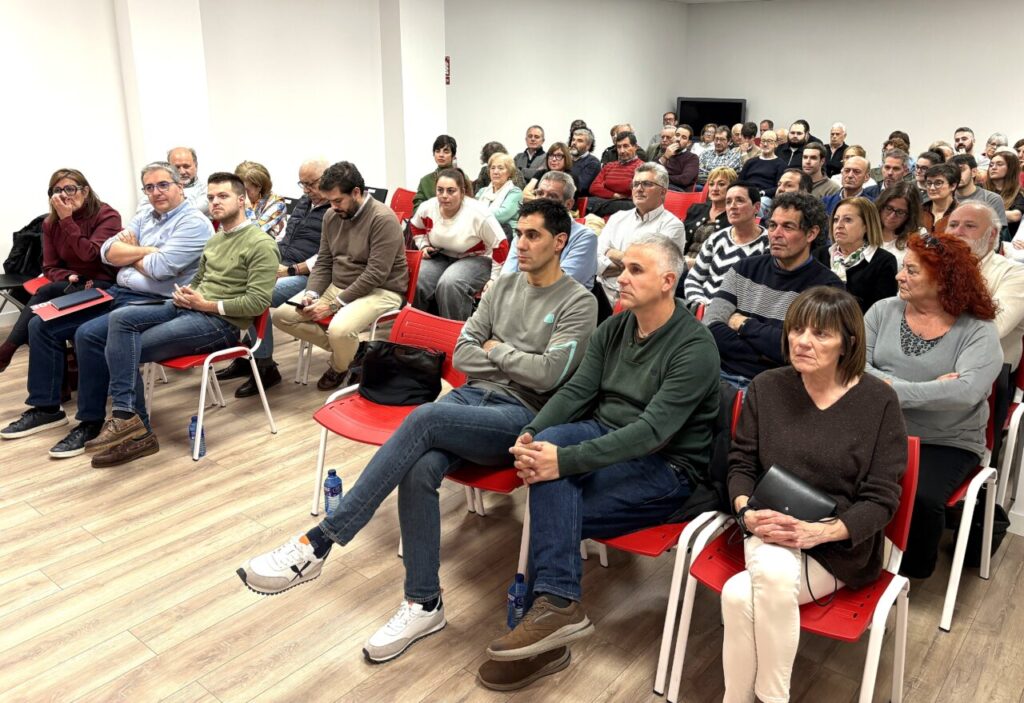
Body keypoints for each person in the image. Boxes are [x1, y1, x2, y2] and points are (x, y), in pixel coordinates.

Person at [237, 198, 598, 671]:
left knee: (424, 418)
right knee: (420, 467)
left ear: (560, 242)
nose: (522, 244)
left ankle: (320, 541)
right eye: (520, 233)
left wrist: (496, 350)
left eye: (533, 236)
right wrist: (507, 355)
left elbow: (550, 375)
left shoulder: (579, 301)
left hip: (521, 417)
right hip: (470, 402)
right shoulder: (503, 285)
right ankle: (424, 603)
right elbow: (466, 353)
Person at [480, 234, 720, 687]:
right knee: (546, 452)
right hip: (607, 437)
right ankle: (556, 609)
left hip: (667, 467)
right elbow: (576, 392)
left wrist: (564, 461)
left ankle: (550, 624)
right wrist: (532, 433)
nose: (620, 277)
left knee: (555, 501)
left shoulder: (695, 346)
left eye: (635, 270)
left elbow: (652, 433)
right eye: (622, 267)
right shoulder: (616, 326)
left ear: (668, 281)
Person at [724, 286, 907, 703]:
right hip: (767, 524)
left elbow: (882, 499)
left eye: (821, 334)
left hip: (838, 543)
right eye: (797, 330)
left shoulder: (879, 401)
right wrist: (746, 513)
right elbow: (740, 464)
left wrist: (819, 533)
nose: (803, 341)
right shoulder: (768, 386)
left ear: (849, 343)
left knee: (742, 594)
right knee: (758, 581)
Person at [0, 162, 212, 454]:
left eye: (163, 185)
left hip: (153, 301)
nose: (156, 192)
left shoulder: (192, 222)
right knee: (42, 324)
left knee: (89, 334)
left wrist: (131, 254)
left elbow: (160, 269)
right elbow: (106, 252)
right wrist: (146, 251)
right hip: (118, 291)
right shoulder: (145, 217)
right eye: (149, 187)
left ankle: (90, 422)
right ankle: (46, 408)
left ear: (180, 186)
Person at [74, 172, 279, 466]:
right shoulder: (217, 238)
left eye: (223, 196)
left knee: (126, 348)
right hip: (190, 307)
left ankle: (133, 429)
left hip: (222, 325)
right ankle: (129, 421)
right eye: (210, 197)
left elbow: (258, 302)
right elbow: (200, 278)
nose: (215, 202)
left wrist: (206, 304)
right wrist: (188, 293)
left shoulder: (261, 243)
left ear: (241, 199)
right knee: (120, 320)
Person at [865, 233, 1001, 579]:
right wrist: (925, 390)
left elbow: (966, 392)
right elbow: (856, 368)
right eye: (902, 268)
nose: (899, 276)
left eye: (911, 271)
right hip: (880, 426)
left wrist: (889, 387)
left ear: (943, 280)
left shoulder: (978, 329)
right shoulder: (883, 311)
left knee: (921, 497)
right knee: (833, 467)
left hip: (946, 440)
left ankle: (906, 576)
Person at [273, 162, 409, 390]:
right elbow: (324, 261)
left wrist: (334, 306)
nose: (333, 207)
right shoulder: (331, 216)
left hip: (382, 290)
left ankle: (339, 366)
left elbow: (375, 273)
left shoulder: (382, 218)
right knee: (282, 316)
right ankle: (357, 354)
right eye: (330, 201)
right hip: (341, 286)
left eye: (338, 201)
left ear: (356, 192)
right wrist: (311, 294)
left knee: (339, 330)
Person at [705, 192, 843, 389]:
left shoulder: (828, 288)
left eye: (787, 227)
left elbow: (794, 350)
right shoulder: (743, 269)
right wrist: (765, 353)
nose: (776, 234)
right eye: (772, 225)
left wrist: (743, 323)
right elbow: (710, 327)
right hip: (718, 373)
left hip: (775, 386)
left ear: (811, 233)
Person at [218, 159, 331, 397]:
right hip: (281, 263)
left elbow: (329, 257)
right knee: (231, 285)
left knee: (256, 297)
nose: (307, 189)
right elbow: (284, 238)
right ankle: (247, 353)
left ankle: (265, 365)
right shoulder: (303, 203)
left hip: (307, 274)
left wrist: (290, 270)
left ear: (328, 178)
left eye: (313, 183)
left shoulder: (335, 209)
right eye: (303, 183)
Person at [0, 169, 120, 372]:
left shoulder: (107, 216)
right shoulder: (50, 224)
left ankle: (6, 351)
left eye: (70, 189)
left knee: (44, 309)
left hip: (102, 283)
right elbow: (49, 267)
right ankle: (46, 391)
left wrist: (67, 221)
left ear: (86, 191)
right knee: (40, 312)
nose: (64, 195)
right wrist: (68, 275)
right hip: (73, 282)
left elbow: (90, 254)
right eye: (57, 190)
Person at [410, 168, 508, 321]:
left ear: (462, 192)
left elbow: (501, 244)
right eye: (440, 190)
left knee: (450, 283)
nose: (444, 196)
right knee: (417, 277)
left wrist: (495, 278)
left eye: (451, 191)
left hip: (477, 258)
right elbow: (415, 225)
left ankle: (455, 336)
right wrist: (423, 246)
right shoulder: (428, 207)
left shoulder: (478, 213)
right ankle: (418, 329)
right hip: (441, 255)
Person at [948, 202, 1024, 371]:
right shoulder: (933, 268)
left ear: (992, 234)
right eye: (953, 225)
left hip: (988, 377)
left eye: (969, 225)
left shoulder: (1016, 274)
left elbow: (993, 328)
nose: (957, 232)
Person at [596, 163, 685, 305]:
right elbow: (595, 256)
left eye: (646, 184)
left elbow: (651, 268)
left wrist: (611, 253)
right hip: (602, 292)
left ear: (663, 192)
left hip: (641, 301)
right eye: (635, 184)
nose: (639, 189)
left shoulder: (672, 225)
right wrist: (631, 265)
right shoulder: (617, 217)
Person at [498, 171, 598, 290]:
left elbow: (561, 286)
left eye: (552, 196)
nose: (542, 200)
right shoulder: (524, 231)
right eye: (540, 193)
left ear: (568, 204)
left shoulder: (584, 238)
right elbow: (506, 278)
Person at [684, 183, 768, 308]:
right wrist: (700, 305)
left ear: (756, 207)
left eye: (739, 201)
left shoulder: (767, 244)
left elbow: (761, 293)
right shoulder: (716, 238)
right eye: (728, 202)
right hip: (702, 308)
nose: (732, 206)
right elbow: (693, 279)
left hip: (735, 316)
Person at [829, 198, 898, 313]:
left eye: (848, 220)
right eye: (836, 220)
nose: (839, 225)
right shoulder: (820, 255)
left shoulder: (884, 261)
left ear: (866, 226)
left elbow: (881, 312)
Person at [683, 167, 736, 267]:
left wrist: (696, 264)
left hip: (708, 269)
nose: (715, 188)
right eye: (711, 184)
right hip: (682, 262)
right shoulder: (696, 209)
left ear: (732, 188)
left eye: (721, 184)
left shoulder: (734, 217)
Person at [135, 147, 209, 216]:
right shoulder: (158, 187)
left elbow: (191, 211)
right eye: (176, 167)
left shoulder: (207, 190)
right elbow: (141, 212)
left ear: (196, 166)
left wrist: (161, 209)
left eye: (186, 166)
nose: (182, 172)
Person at [587, 131, 644, 217]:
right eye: (619, 147)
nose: (621, 151)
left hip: (627, 204)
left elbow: (635, 191)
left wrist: (605, 189)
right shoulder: (609, 166)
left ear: (635, 147)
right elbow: (594, 188)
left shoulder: (642, 167)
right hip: (608, 201)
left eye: (625, 146)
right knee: (586, 201)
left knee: (628, 206)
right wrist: (614, 195)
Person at [950, 155, 1007, 231]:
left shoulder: (991, 199)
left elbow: (998, 233)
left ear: (974, 172)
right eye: (952, 171)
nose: (957, 175)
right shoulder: (945, 198)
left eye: (961, 170)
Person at [476, 152, 523, 239]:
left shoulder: (515, 192)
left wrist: (476, 215)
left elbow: (501, 216)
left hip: (506, 236)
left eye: (500, 168)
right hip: (481, 234)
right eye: (492, 168)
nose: (496, 172)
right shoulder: (482, 191)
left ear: (509, 172)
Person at [876, 181, 923, 269]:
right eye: (889, 208)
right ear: (881, 205)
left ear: (910, 215)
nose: (892, 216)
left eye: (900, 212)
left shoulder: (918, 237)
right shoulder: (865, 229)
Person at [234, 161, 286, 237]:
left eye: (245, 190)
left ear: (259, 187)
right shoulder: (235, 195)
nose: (240, 192)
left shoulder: (277, 204)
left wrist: (248, 208)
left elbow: (256, 235)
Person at [984, 151, 1024, 238]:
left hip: (1004, 241)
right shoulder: (980, 188)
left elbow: (1015, 216)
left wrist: (982, 212)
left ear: (1010, 168)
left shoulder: (1018, 194)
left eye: (999, 164)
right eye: (991, 165)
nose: (993, 168)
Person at [413, 135, 457, 210]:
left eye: (446, 152)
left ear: (453, 156)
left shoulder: (461, 178)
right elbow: (417, 208)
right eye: (437, 151)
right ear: (433, 154)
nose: (441, 155)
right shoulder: (425, 181)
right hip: (430, 219)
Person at [738, 131, 783, 196]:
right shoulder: (750, 162)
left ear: (776, 144)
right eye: (763, 141)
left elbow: (779, 187)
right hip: (746, 193)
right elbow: (739, 181)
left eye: (769, 141)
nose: (765, 144)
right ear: (760, 143)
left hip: (765, 196)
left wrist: (764, 192)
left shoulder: (780, 164)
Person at [922, 163, 959, 235]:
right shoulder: (918, 212)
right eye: (929, 183)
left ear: (953, 186)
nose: (932, 188)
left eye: (938, 183)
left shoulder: (961, 213)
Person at [569, 128, 601, 196]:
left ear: (588, 146)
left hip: (578, 200)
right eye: (573, 140)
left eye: (579, 141)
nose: (574, 143)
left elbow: (581, 187)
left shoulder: (593, 163)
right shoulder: (566, 159)